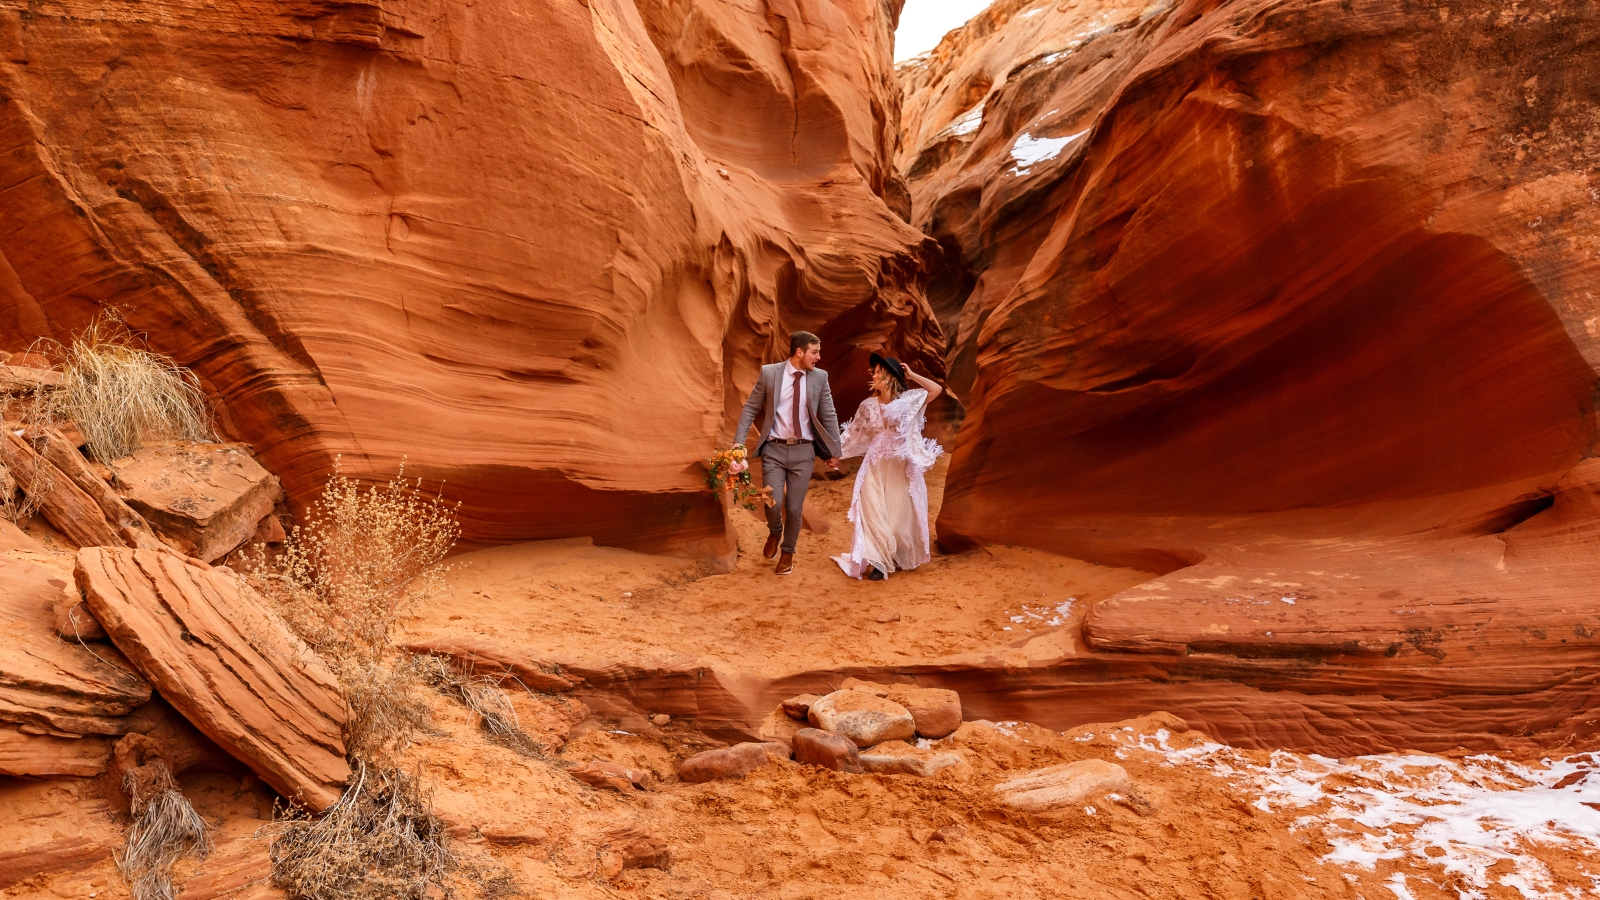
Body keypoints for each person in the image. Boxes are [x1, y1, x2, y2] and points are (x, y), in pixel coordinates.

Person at [731, 331, 842, 575]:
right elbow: (750, 408)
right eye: (814, 352)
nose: (819, 357)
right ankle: (775, 530)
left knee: (794, 507)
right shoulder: (770, 373)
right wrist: (739, 444)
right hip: (774, 449)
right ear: (799, 352)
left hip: (804, 451)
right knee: (772, 502)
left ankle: (788, 553)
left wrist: (835, 449)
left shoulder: (820, 377)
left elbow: (829, 413)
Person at [832, 353, 943, 581]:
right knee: (871, 509)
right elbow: (853, 433)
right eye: (873, 371)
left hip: (901, 467)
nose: (873, 375)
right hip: (874, 464)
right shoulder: (867, 405)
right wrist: (835, 455)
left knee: (897, 513)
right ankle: (878, 563)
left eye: (878, 371)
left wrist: (912, 375)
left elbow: (935, 390)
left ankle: (891, 554)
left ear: (890, 376)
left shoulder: (909, 402)